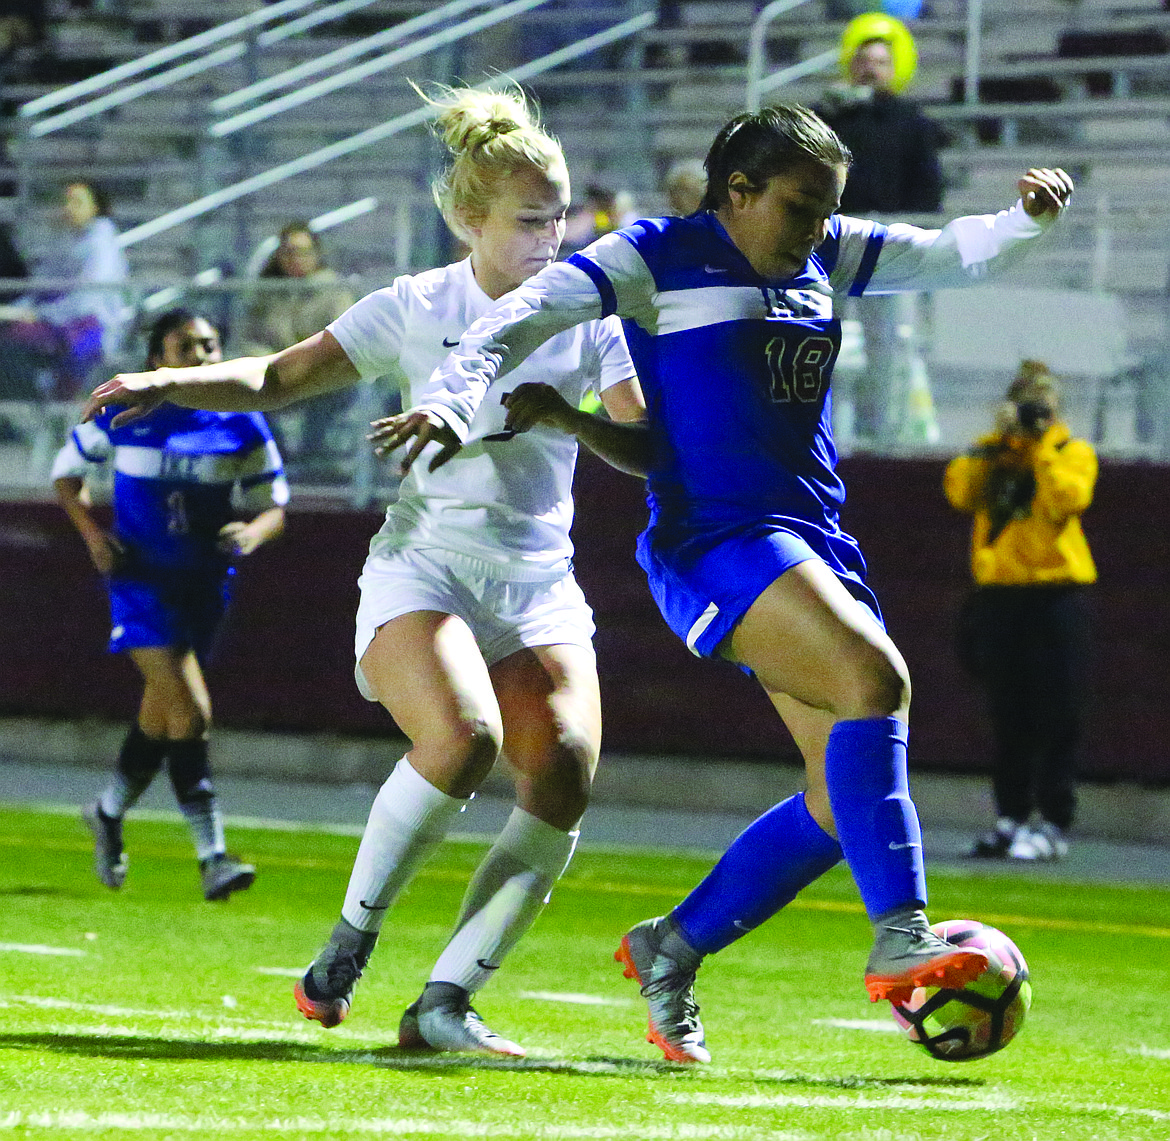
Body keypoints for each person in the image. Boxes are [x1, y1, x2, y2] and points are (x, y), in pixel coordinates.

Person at [342, 103, 1072, 1064]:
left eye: (827, 210)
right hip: (717, 535)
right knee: (877, 683)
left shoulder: (820, 249)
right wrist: (449, 394)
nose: (819, 227)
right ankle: (903, 932)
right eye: (802, 206)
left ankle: (671, 947)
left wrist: (1025, 220)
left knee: (831, 796)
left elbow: (941, 253)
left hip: (812, 533)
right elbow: (519, 317)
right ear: (737, 192)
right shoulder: (652, 255)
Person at [84, 84, 645, 1056]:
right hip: (423, 568)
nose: (549, 238)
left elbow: (647, 448)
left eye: (559, 217)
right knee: (464, 737)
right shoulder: (417, 307)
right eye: (527, 220)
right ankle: (354, 932)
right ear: (469, 217)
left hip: (538, 582)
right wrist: (167, 382)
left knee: (561, 772)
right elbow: (277, 377)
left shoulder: (587, 313)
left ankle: (446, 1002)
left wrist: (567, 416)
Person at [53, 308, 288, 901]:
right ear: (158, 356)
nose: (205, 357)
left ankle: (107, 813)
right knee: (192, 712)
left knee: (163, 712)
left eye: (211, 345)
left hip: (205, 583)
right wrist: (92, 534)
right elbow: (66, 476)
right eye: (188, 346)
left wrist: (253, 533)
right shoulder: (122, 412)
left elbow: (274, 505)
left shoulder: (241, 422)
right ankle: (213, 857)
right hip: (141, 579)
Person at [944, 361, 1096, 862]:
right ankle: (1009, 819)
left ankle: (1053, 823)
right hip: (1001, 597)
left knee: (1057, 712)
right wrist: (1000, 438)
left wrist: (1041, 447)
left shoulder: (1071, 453)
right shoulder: (994, 455)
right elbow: (959, 490)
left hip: (1055, 596)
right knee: (1008, 713)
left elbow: (1067, 501)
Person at [816, 14, 943, 448]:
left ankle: (879, 435)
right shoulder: (827, 116)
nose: (871, 69)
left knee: (886, 342)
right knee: (817, 333)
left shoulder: (912, 120)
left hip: (887, 241)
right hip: (831, 238)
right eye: (864, 60)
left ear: (896, 68)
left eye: (880, 62)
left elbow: (929, 188)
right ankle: (812, 426)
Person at [240, 221, 359, 475]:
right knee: (244, 387)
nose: (294, 259)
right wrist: (267, 361)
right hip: (275, 373)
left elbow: (341, 340)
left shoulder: (335, 291)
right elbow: (248, 337)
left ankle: (314, 460)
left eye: (302, 252)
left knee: (333, 388)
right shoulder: (267, 291)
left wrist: (303, 362)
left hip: (318, 375)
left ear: (316, 255)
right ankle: (277, 458)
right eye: (288, 252)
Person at [2, 180, 129, 395]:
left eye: (77, 202)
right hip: (60, 321)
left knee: (12, 344)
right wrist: (16, 310)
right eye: (66, 201)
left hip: (88, 328)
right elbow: (42, 288)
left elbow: (86, 302)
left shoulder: (101, 243)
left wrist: (37, 314)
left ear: (95, 207)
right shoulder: (67, 240)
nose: (69, 208)